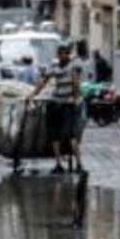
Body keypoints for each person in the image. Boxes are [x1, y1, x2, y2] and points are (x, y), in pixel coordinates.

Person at [28, 43, 84, 173]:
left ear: (67, 54)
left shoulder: (74, 65)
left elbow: (76, 83)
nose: (60, 57)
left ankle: (79, 164)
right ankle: (59, 163)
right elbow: (44, 81)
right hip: (56, 103)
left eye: (63, 54)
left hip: (69, 104)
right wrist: (33, 94)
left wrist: (75, 98)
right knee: (55, 135)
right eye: (59, 54)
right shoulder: (54, 66)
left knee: (71, 135)